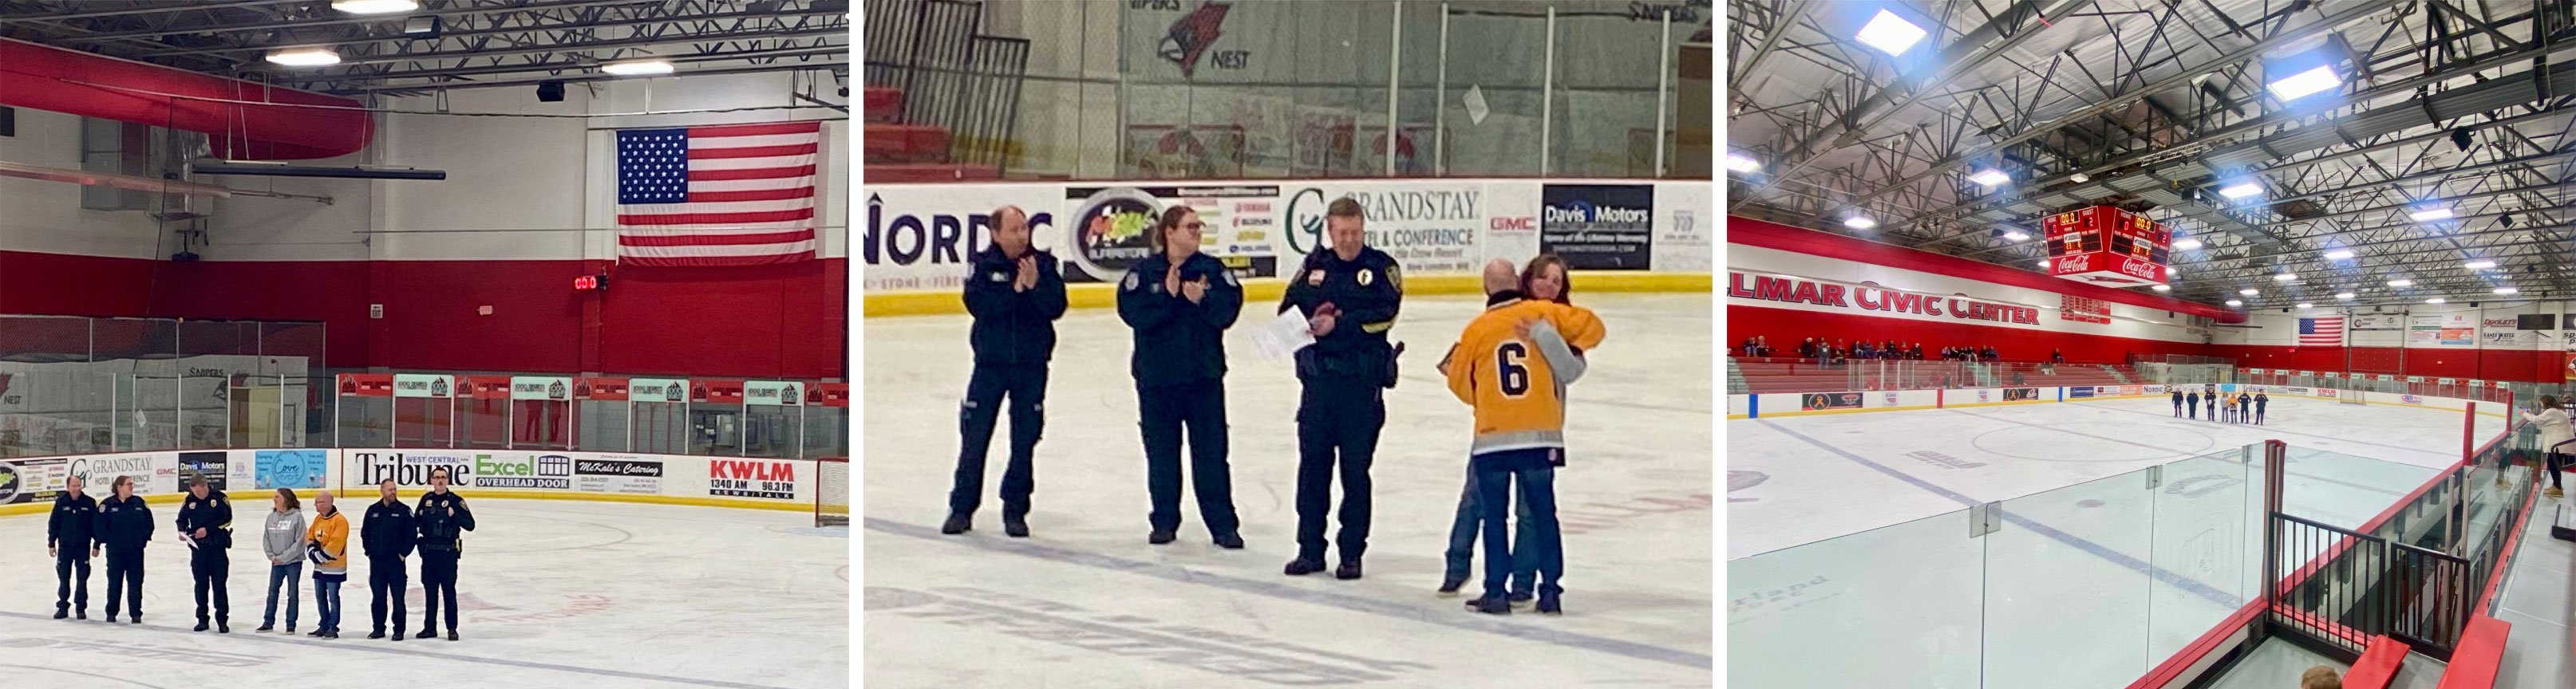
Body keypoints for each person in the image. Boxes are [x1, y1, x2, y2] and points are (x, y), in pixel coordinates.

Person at [1443, 258, 1606, 616]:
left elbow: (1457, 381)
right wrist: (1556, 334)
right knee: (1544, 517)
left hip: (1494, 438)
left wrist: (1487, 399)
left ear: (1486, 290)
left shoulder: (1476, 329)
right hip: (1541, 436)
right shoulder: (1544, 313)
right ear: (1520, 281)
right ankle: (1549, 593)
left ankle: (1496, 593)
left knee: (1494, 518)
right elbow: (1595, 328)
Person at [1278, 198, 1402, 579]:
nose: (1348, 240)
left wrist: (1340, 323)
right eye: (1341, 233)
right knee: (1313, 470)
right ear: (1329, 231)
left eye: (1354, 232)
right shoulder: (1314, 267)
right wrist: (1309, 323)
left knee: (1355, 473)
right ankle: (1309, 549)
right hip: (1318, 387)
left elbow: (1386, 315)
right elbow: (1287, 311)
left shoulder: (1381, 268)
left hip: (1360, 387)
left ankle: (1351, 553)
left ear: (1363, 230)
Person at [1117, 205, 1246, 548]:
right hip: (1158, 380)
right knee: (1161, 454)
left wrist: (1202, 299)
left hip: (1202, 379)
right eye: (1190, 226)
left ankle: (1222, 525)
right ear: (1169, 232)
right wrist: (1169, 299)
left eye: (1198, 226)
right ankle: (1163, 521)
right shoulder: (1144, 274)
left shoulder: (1212, 271)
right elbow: (1132, 314)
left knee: (1211, 453)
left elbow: (1229, 312)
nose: (1197, 231)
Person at [943, 205, 1069, 538]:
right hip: (990, 365)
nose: (1021, 235)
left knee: (1024, 439)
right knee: (974, 437)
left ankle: (1015, 509)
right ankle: (962, 508)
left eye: (1024, 228)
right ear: (995, 233)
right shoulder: (984, 267)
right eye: (1013, 229)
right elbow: (979, 306)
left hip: (1031, 365)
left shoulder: (1044, 265)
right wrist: (1015, 291)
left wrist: (1035, 286)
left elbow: (1056, 307)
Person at [415, 467, 476, 640]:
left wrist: (455, 515)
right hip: (429, 554)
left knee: (449, 591)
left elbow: (470, 525)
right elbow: (416, 522)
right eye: (437, 477)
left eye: (443, 477)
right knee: (430, 592)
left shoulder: (456, 501)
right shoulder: (426, 499)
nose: (440, 481)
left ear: (447, 480)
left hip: (448, 554)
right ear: (432, 480)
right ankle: (429, 628)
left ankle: (451, 628)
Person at [176, 474, 235, 633]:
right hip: (198, 550)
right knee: (200, 586)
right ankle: (202, 619)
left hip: (216, 549)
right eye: (193, 492)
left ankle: (222, 620)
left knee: (219, 586)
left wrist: (208, 530)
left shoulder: (220, 498)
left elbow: (227, 519)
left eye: (198, 491)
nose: (196, 494)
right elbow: (180, 519)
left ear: (204, 486)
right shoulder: (189, 501)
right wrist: (182, 532)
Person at [362, 478, 416, 640]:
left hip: (396, 563)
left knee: (398, 598)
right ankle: (378, 628)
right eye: (390, 489)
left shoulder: (404, 511)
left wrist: (403, 554)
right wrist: (369, 552)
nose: (393, 492)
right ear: (382, 491)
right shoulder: (373, 510)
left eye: (395, 489)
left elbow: (411, 535)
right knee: (378, 597)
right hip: (377, 563)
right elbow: (365, 533)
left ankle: (399, 630)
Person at [95, 475, 152, 624]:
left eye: (132, 484)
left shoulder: (139, 503)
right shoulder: (107, 505)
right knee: (114, 583)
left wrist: (143, 541)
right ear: (119, 487)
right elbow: (99, 526)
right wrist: (106, 541)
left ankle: (136, 613)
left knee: (135, 583)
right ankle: (112, 612)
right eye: (129, 484)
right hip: (115, 552)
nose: (132, 487)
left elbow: (149, 524)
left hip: (135, 552)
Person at [48, 474, 99, 620]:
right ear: (68, 487)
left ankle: (81, 608)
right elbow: (54, 524)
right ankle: (63, 607)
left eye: (78, 486)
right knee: (64, 579)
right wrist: (51, 543)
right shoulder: (61, 502)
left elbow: (95, 525)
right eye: (74, 486)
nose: (77, 489)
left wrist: (97, 545)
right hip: (65, 548)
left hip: (83, 548)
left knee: (82, 579)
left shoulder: (89, 503)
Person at [257, 488, 306, 633]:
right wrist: (272, 557)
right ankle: (268, 621)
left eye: (277, 497)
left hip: (293, 562)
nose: (274, 499)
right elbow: (266, 538)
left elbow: (300, 541)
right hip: (276, 562)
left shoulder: (297, 517)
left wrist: (284, 558)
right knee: (272, 591)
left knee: (292, 593)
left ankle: (291, 624)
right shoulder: (271, 517)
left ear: (286, 498)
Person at [306, 490, 350, 639]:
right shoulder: (318, 519)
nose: (315, 505)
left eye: (318, 502)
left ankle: (333, 627)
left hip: (334, 568)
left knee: (333, 598)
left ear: (327, 503)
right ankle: (323, 624)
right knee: (320, 597)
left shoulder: (340, 521)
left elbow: (335, 545)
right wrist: (312, 553)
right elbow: (309, 537)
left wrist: (317, 556)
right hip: (319, 567)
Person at [2520, 396, 2571, 498]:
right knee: (2554, 464)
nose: (2541, 405)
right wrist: (2531, 414)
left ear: (2546, 403)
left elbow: (2537, 421)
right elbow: (2541, 422)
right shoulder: (2557, 410)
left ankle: (2558, 488)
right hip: (2560, 443)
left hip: (2559, 443)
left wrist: (2524, 414)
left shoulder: (2552, 411)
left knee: (2553, 464)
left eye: (2541, 403)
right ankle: (2556, 486)